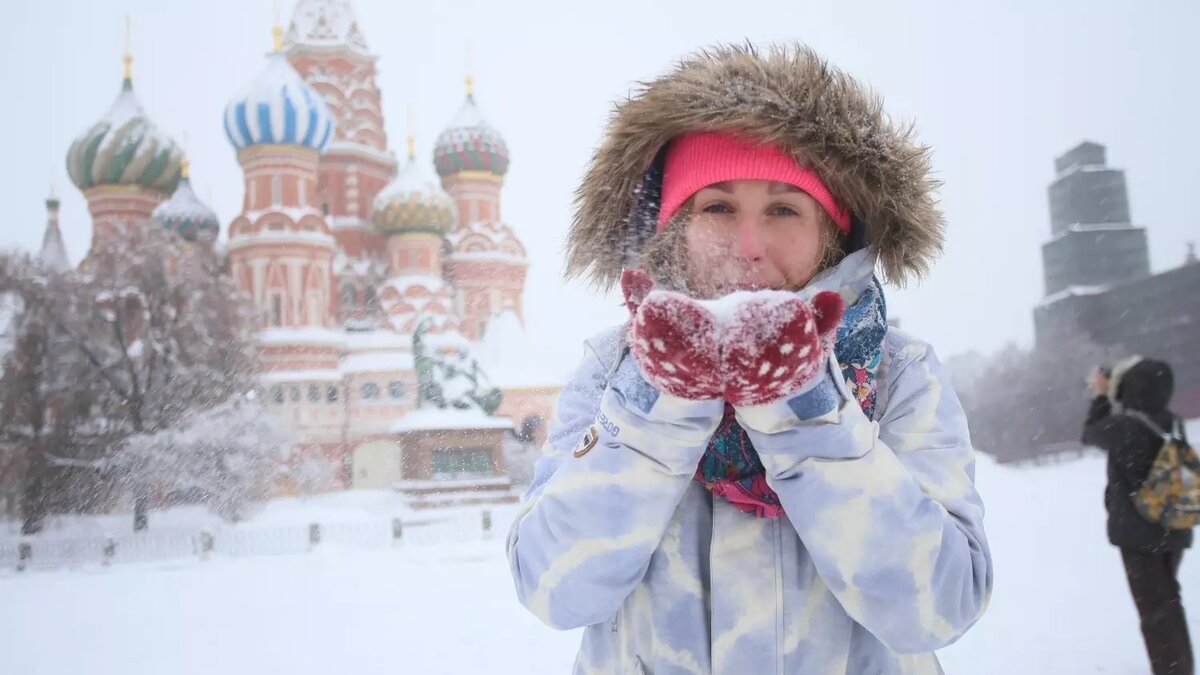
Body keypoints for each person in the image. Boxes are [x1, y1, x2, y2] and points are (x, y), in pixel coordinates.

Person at [507, 43, 992, 674]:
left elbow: (939, 607)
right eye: (717, 207)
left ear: (833, 234)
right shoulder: (612, 370)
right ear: (674, 228)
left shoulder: (899, 373)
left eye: (784, 209)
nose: (748, 245)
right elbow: (555, 588)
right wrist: (662, 400)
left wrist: (802, 402)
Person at [1083, 357, 1195, 675]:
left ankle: (1172, 670)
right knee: (1170, 603)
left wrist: (1102, 396)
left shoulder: (1125, 426)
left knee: (1154, 611)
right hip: (1172, 526)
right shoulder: (1170, 420)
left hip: (1138, 533)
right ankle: (1182, 667)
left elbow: (1090, 433)